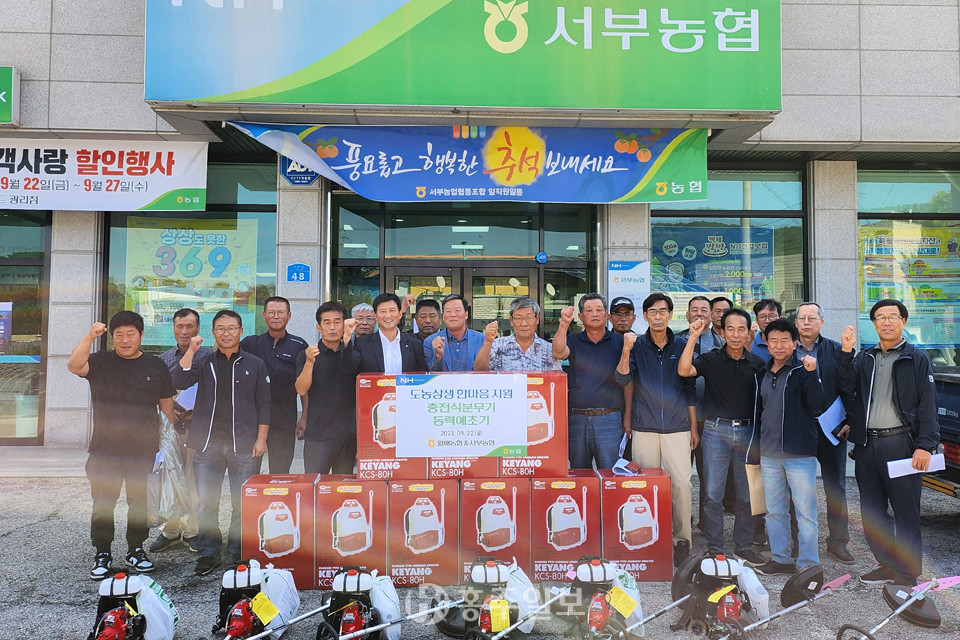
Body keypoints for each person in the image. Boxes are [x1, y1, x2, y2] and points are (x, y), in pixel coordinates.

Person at [67, 312, 176, 580]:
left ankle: (136, 549)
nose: (125, 340)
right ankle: (102, 553)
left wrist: (168, 443)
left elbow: (166, 405)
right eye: (119, 335)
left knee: (140, 503)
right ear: (112, 337)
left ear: (141, 335)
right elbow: (74, 365)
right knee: (103, 503)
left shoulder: (155, 365)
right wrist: (90, 336)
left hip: (144, 449)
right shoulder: (100, 362)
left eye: (131, 334)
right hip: (105, 450)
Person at [838, 299, 940, 586]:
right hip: (867, 446)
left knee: (906, 513)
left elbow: (928, 404)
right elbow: (846, 386)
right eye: (880, 317)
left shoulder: (916, 358)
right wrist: (846, 352)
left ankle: (907, 575)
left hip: (901, 445)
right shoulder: (865, 358)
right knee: (872, 514)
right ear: (873, 324)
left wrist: (925, 445)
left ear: (903, 321)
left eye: (892, 316)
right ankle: (887, 566)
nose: (886, 321)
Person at [173, 310, 271, 576]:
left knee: (242, 502)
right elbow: (178, 381)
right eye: (221, 328)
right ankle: (209, 550)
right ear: (213, 332)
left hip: (244, 444)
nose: (226, 333)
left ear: (241, 331)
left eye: (231, 328)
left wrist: (262, 438)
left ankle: (238, 549)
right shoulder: (203, 362)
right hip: (208, 444)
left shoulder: (255, 363)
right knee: (207, 502)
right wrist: (191, 350)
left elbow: (264, 402)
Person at [679, 308, 766, 566]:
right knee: (712, 494)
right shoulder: (711, 359)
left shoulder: (758, 364)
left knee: (747, 495)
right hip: (716, 431)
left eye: (741, 329)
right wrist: (693, 337)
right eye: (730, 329)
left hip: (748, 433)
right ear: (723, 331)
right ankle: (715, 547)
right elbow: (684, 370)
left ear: (749, 331)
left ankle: (744, 546)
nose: (736, 334)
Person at [616, 293, 697, 566]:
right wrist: (626, 350)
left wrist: (693, 427)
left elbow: (690, 389)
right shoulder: (637, 345)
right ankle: (650, 536)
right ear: (645, 316)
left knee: (682, 484)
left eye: (663, 311)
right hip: (645, 426)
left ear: (671, 314)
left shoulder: (683, 345)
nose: (658, 316)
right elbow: (622, 378)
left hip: (677, 426)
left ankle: (681, 539)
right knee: (645, 485)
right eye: (653, 311)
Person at [747, 319, 824, 575]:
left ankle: (808, 564)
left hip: (799, 453)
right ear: (766, 344)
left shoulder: (803, 369)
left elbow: (817, 404)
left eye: (784, 340)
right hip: (769, 453)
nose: (779, 345)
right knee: (774, 511)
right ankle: (780, 559)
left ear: (795, 343)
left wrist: (812, 374)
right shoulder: (762, 373)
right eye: (774, 340)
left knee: (805, 513)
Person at [795, 302, 855, 565]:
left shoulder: (837, 350)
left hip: (832, 428)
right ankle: (798, 540)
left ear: (822, 322)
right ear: (796, 322)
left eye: (812, 318)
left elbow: (850, 387)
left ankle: (838, 542)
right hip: (798, 428)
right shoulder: (787, 349)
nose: (807, 322)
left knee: (835, 487)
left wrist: (850, 419)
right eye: (802, 318)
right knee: (797, 487)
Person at [152, 308, 211, 554]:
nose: (184, 331)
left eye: (190, 326)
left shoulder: (210, 356)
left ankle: (191, 530)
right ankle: (170, 530)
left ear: (198, 329)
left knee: (193, 479)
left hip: (199, 427)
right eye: (180, 326)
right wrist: (167, 411)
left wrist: (199, 409)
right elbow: (155, 391)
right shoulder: (164, 359)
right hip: (170, 427)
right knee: (168, 477)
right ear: (174, 328)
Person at [552, 293, 629, 470]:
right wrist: (564, 323)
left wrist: (627, 418)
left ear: (607, 315)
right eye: (589, 310)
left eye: (599, 310)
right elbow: (558, 353)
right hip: (576, 419)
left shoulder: (620, 342)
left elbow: (627, 381)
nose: (594, 314)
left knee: (610, 474)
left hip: (608, 419)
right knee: (579, 473)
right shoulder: (573, 340)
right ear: (580, 316)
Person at [239, 296, 308, 475]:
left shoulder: (299, 345)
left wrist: (304, 416)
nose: (276, 316)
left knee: (280, 474)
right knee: (249, 473)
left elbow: (305, 386)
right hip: (252, 420)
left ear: (289, 316)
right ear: (264, 315)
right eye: (271, 312)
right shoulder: (250, 343)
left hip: (284, 419)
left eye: (281, 312)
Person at [295, 302, 360, 474]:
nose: (332, 327)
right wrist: (309, 363)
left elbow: (349, 368)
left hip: (347, 434)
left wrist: (347, 339)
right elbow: (301, 389)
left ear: (344, 324)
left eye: (337, 322)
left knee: (343, 486)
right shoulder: (308, 354)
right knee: (315, 484)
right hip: (318, 434)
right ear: (319, 327)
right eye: (327, 322)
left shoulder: (353, 353)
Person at [677, 295, 722, 530]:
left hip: (713, 420)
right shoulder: (676, 341)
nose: (699, 314)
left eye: (704, 310)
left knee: (709, 477)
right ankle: (683, 521)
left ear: (712, 315)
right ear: (687, 315)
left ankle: (707, 523)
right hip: (681, 419)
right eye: (694, 310)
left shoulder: (722, 343)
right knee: (681, 475)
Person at [475, 297, 562, 372]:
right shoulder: (497, 346)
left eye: (529, 317)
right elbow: (479, 371)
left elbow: (557, 380)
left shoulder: (549, 350)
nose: (524, 323)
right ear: (511, 321)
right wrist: (488, 341)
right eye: (518, 318)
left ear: (537, 319)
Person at [355, 293, 426, 373]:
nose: (388, 315)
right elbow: (350, 371)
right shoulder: (362, 344)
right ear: (375, 316)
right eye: (383, 311)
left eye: (392, 310)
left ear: (400, 314)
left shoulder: (415, 345)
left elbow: (422, 376)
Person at [424, 294, 486, 371]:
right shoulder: (430, 341)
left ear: (466, 314)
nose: (453, 315)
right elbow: (429, 372)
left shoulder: (482, 340)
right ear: (443, 316)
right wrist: (438, 356)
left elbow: (488, 371)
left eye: (457, 310)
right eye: (448, 311)